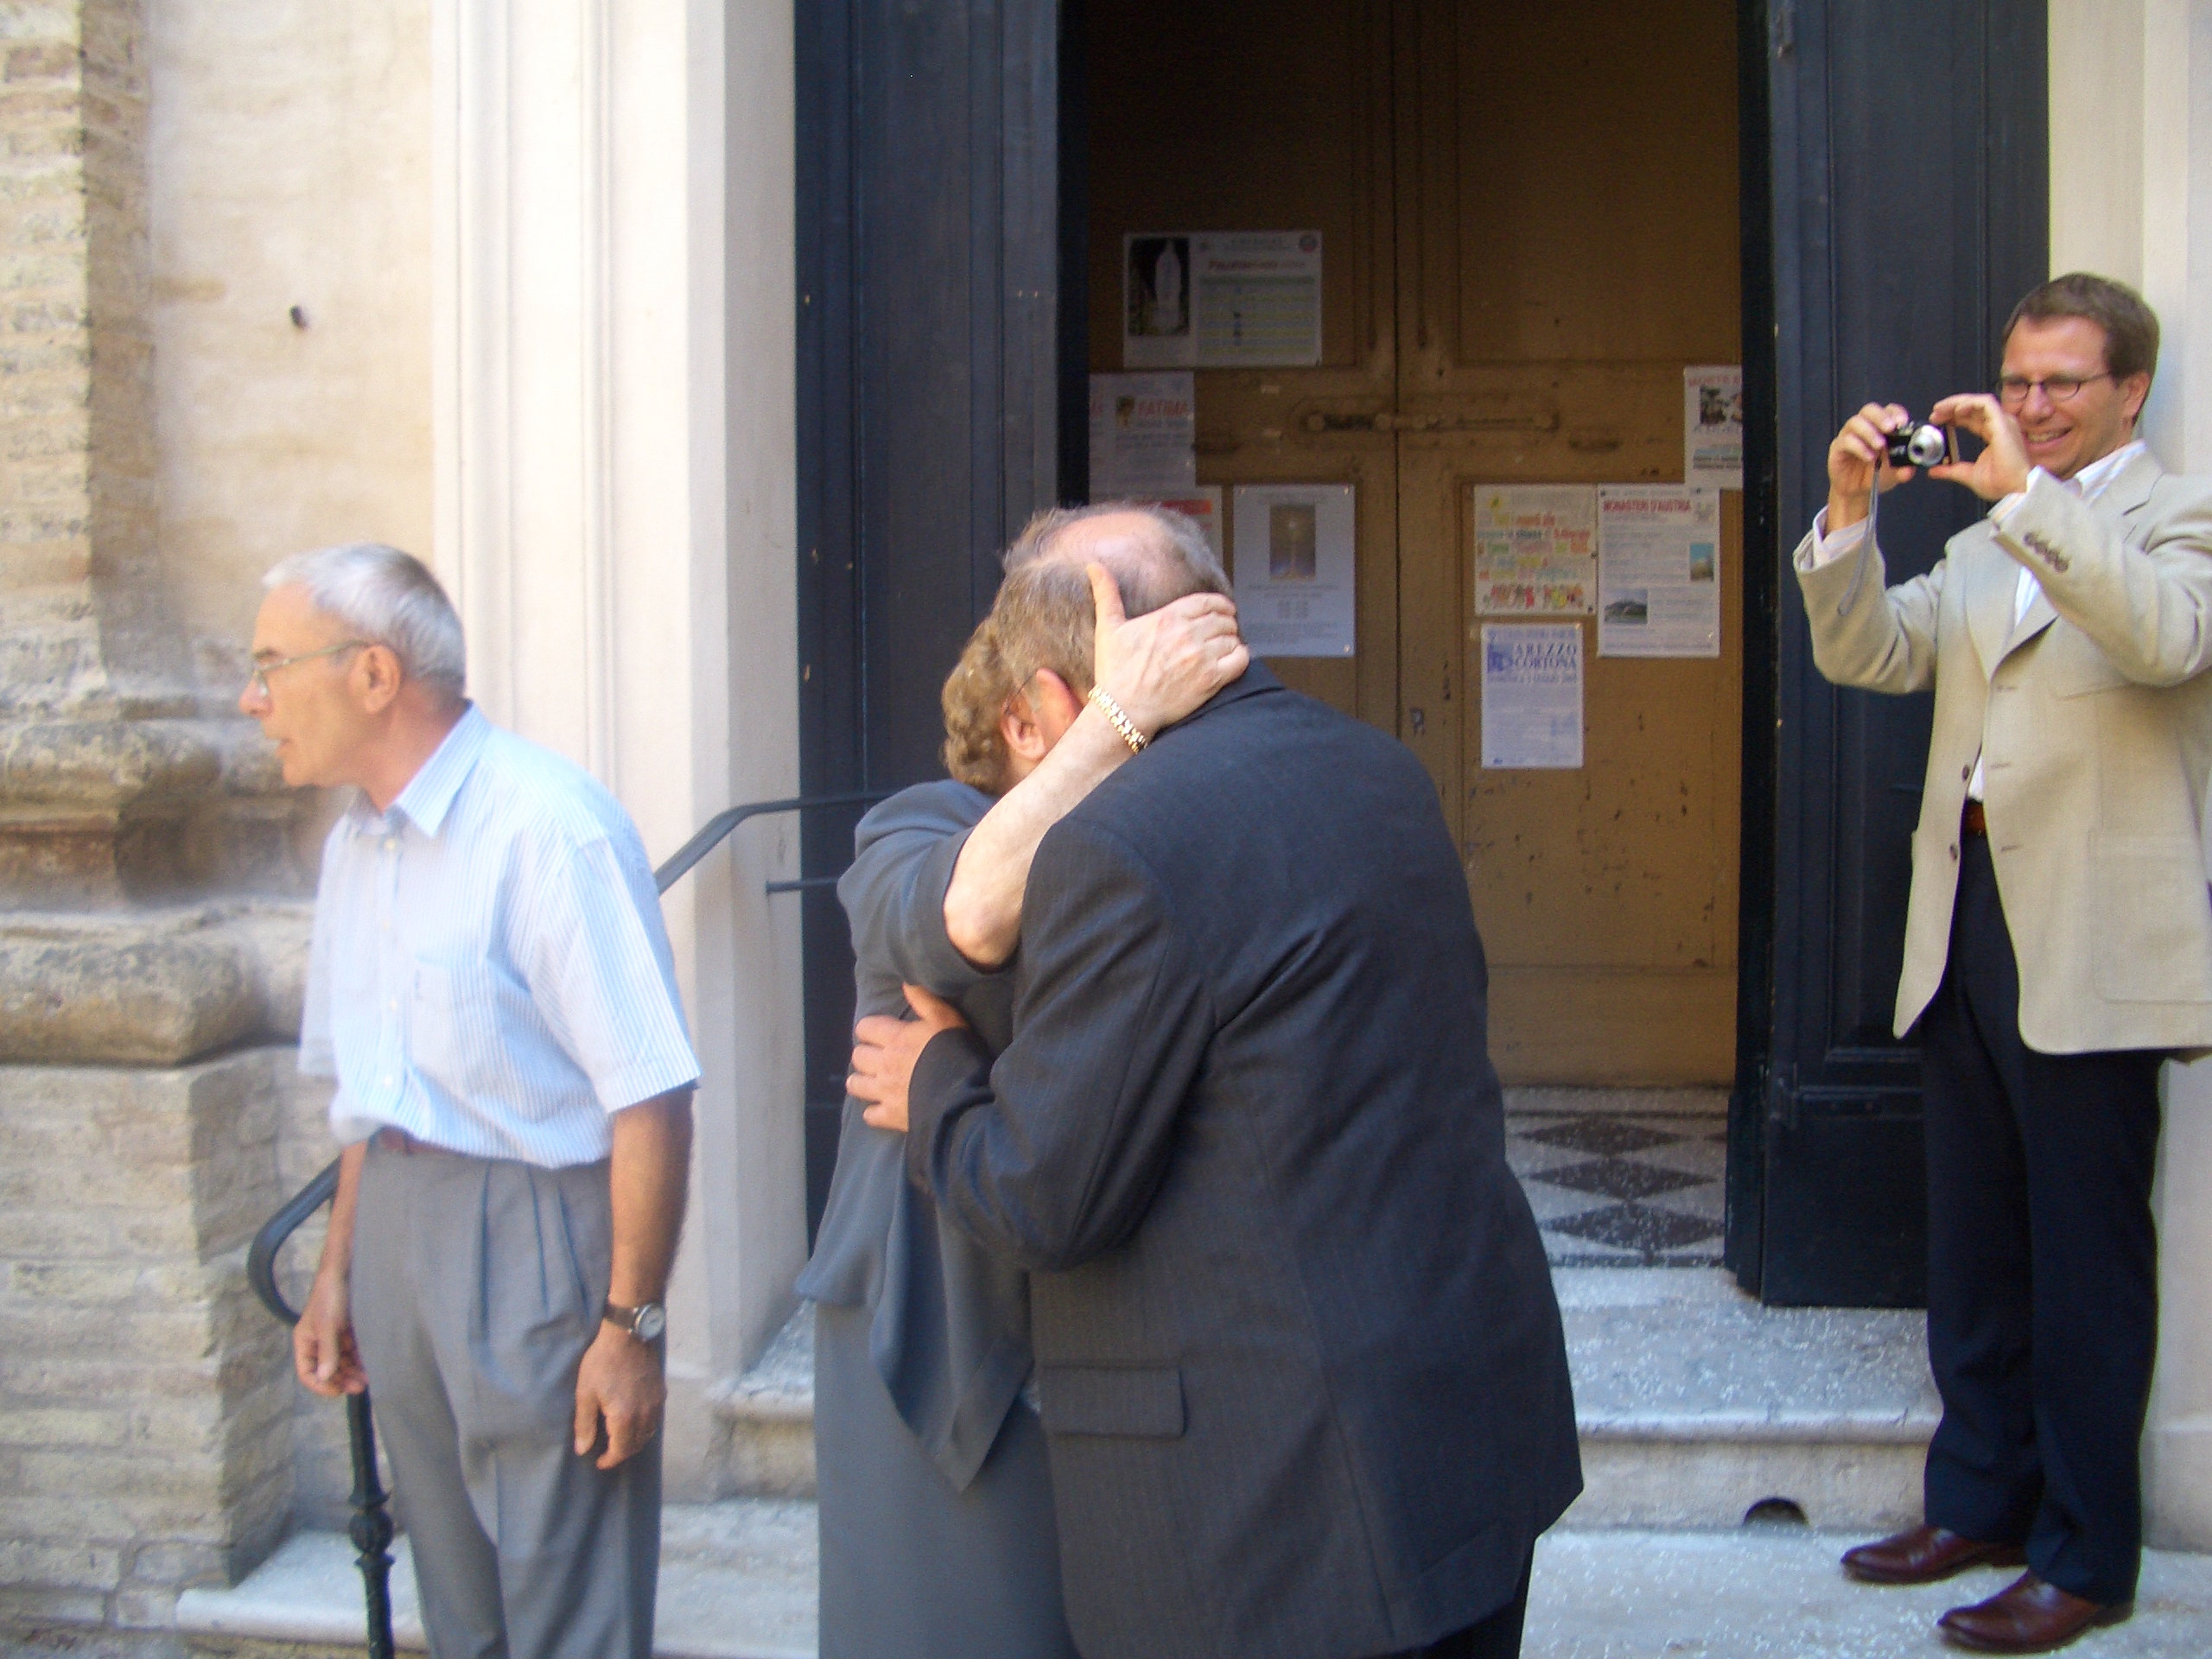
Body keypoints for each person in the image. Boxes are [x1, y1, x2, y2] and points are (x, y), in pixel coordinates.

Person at [849, 505, 1581, 1659]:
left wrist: (937, 1080)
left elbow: (1043, 1195)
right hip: (1468, 1437)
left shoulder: (1119, 845)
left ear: (1051, 696)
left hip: (1276, 1524)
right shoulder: (1380, 768)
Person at [1795, 274, 2212, 1655]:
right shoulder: (1986, 538)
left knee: (2088, 1261)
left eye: (2062, 383)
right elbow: (1872, 653)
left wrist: (2030, 499)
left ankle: (2085, 1557)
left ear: (2130, 390)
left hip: (2095, 932)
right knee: (1977, 1247)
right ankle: (1978, 1501)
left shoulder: (2177, 517)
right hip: (1965, 917)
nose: (2031, 404)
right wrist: (1851, 512)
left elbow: (2164, 640)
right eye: (2017, 379)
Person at [800, 505, 1246, 1658]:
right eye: (1132, 697)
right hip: (948, 1346)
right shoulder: (919, 828)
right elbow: (967, 920)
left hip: (1118, 1329)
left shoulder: (1170, 834)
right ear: (1025, 720)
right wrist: (1120, 725)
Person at [251, 543, 700, 1659]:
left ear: (373, 674)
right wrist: (339, 1268)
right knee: (460, 1609)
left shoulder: (546, 825)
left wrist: (632, 1328)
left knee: (569, 1607)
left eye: (270, 666)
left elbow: (650, 1094)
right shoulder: (357, 847)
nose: (254, 701)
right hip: (398, 1221)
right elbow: (375, 1089)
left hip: (533, 1231)